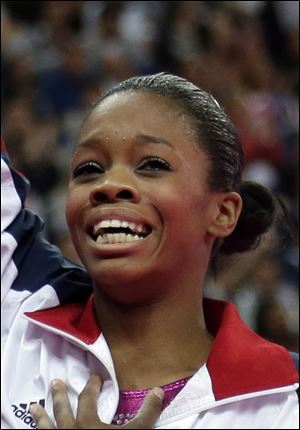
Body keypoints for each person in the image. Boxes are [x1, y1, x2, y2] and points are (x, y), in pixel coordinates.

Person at [1, 73, 298, 429]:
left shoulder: (285, 400)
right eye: (88, 169)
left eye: (152, 165)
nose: (109, 185)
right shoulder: (17, 300)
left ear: (222, 213)